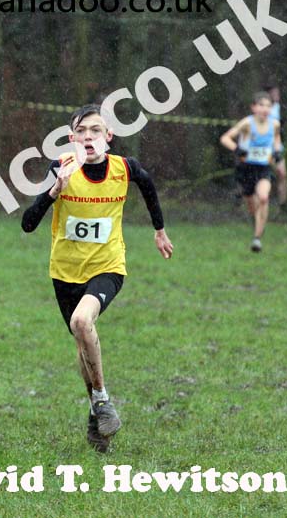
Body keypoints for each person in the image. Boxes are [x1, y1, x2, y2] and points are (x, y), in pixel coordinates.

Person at [21, 105, 173, 453]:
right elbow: (28, 224)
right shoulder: (61, 169)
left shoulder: (124, 168)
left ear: (108, 137)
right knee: (81, 339)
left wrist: (159, 230)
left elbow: (148, 187)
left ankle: (102, 400)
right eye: (81, 131)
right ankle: (96, 414)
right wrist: (54, 191)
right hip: (65, 272)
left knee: (81, 320)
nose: (87, 136)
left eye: (95, 130)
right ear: (72, 138)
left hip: (108, 266)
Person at [219, 92, 282, 252]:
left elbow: (276, 140)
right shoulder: (247, 123)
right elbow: (225, 138)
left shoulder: (274, 124)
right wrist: (238, 149)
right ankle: (257, 221)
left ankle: (257, 238)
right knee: (252, 206)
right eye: (261, 105)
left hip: (264, 169)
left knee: (263, 197)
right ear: (253, 107)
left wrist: (276, 151)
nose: (265, 109)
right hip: (246, 169)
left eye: (268, 106)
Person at [265, 84, 287, 206]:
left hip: (277, 146)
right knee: (265, 175)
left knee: (282, 174)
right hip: (264, 147)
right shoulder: (263, 109)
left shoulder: (281, 108)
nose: (276, 96)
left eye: (277, 93)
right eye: (274, 93)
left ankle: (283, 204)